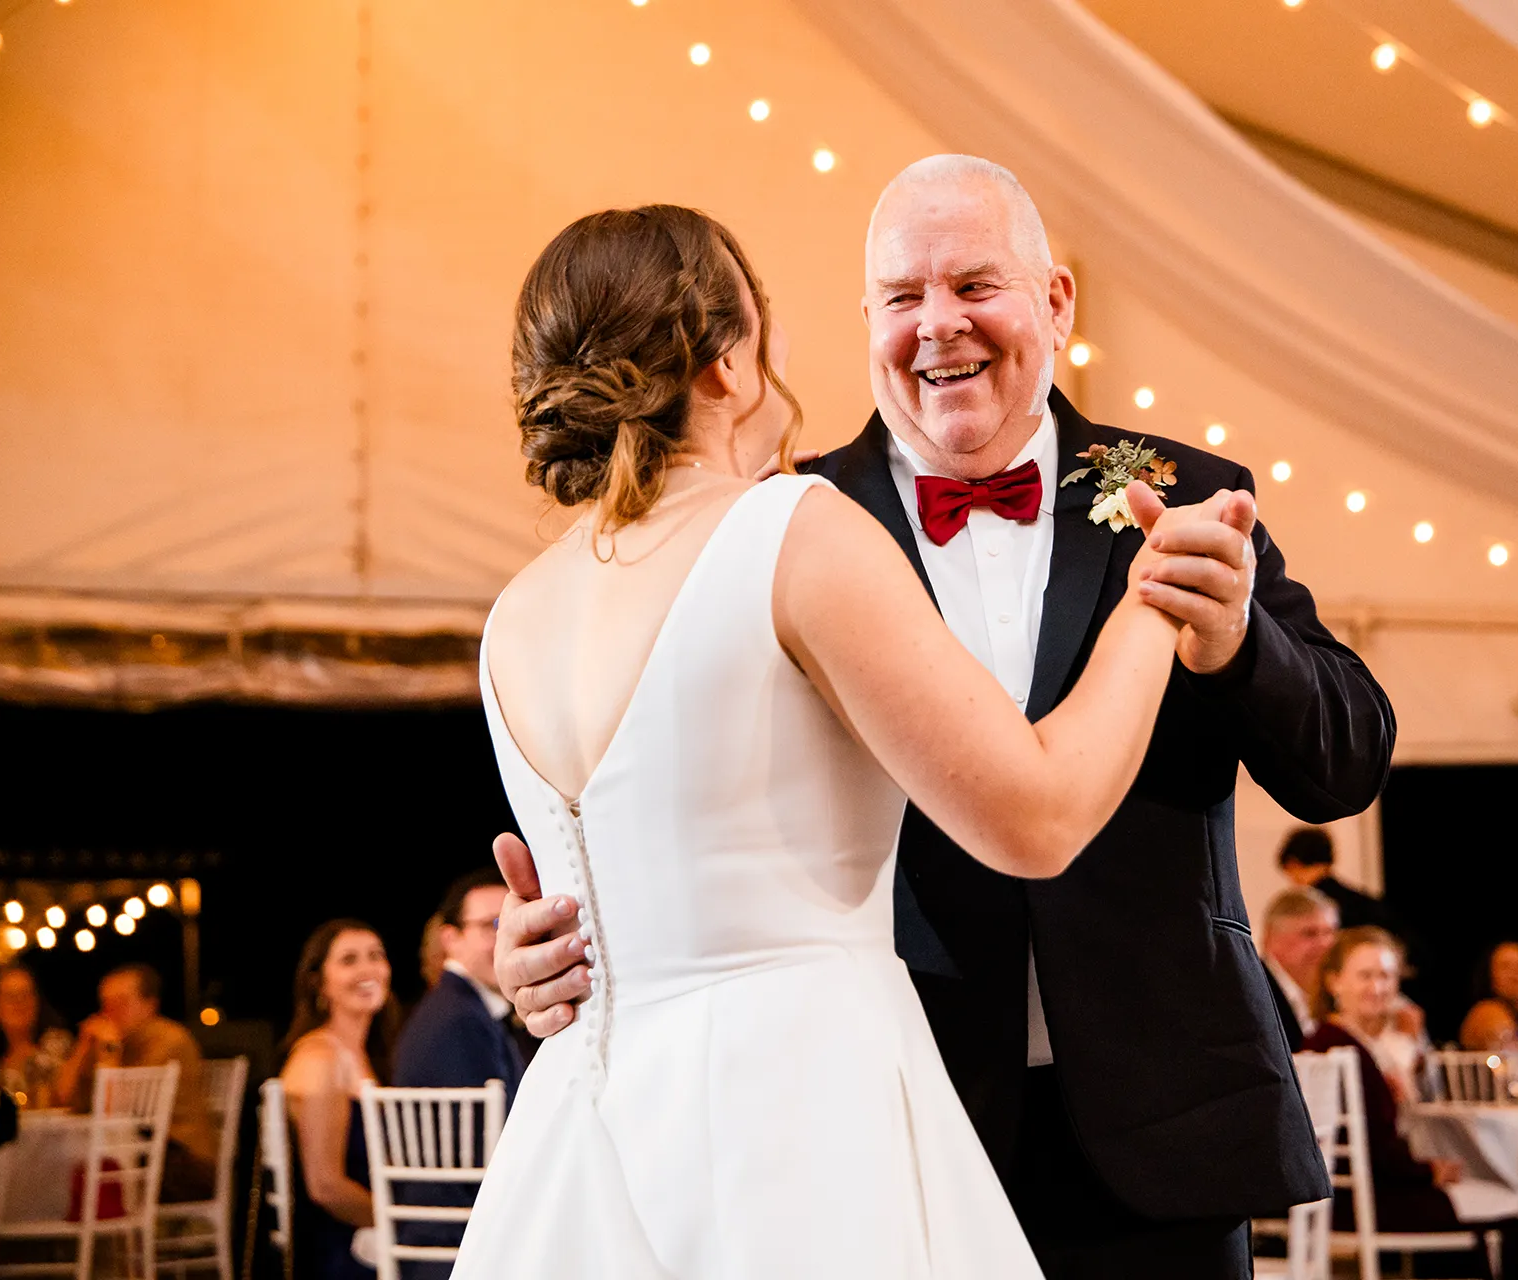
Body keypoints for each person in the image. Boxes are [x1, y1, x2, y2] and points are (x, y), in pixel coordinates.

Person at [485, 156, 1395, 1278]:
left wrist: (1239, 640)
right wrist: (565, 945)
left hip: (1163, 1126)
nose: (937, 325)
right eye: (903, 297)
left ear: (1056, 302)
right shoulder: (781, 524)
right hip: (889, 1121)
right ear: (862, 318)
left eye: (974, 285)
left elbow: (1349, 758)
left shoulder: (1186, 489)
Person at [1303, 929, 1518, 1280]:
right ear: (1334, 981)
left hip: (1354, 1195)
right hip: (1365, 1200)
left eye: (1387, 976)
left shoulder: (1338, 1043)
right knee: (1515, 1210)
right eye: (1366, 976)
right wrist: (1428, 1171)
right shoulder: (1342, 1049)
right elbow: (1375, 1147)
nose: (1378, 988)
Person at [391, 871, 521, 1279]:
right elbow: (505, 1143)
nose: (507, 940)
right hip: (461, 1241)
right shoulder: (461, 1020)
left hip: (446, 1229)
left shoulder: (454, 1009)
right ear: (451, 939)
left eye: (514, 923)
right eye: (492, 926)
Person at [280, 920, 399, 1280]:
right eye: (349, 960)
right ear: (319, 982)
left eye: (375, 956)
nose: (367, 969)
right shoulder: (320, 1058)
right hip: (340, 1254)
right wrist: (403, 1222)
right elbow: (325, 1186)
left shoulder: (364, 1054)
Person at [53, 963, 216, 1201]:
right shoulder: (119, 1040)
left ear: (150, 1005)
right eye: (105, 1004)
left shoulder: (168, 1041)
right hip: (141, 1156)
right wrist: (82, 1047)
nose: (110, 1012)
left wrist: (110, 1051)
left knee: (82, 1170)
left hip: (182, 1161)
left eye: (121, 1002)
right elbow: (63, 1099)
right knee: (64, 1165)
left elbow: (114, 1114)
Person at [1278, 827, 1399, 936]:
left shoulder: (1314, 907)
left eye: (1291, 872)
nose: (1292, 881)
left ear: (1293, 863)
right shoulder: (1366, 903)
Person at [1261, 888, 1339, 1050]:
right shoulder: (1254, 989)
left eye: (1329, 932)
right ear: (1270, 938)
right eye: (1310, 933)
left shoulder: (1334, 990)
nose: (1325, 944)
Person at [0, 964, 71, 1109]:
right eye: (10, 997)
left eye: (25, 994)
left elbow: (65, 1097)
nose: (19, 1003)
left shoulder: (58, 1046)